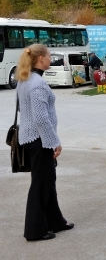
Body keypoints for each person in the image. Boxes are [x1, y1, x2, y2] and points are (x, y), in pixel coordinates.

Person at [15, 44, 74, 241]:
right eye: (49, 56)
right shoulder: (37, 83)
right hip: (39, 140)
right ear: (40, 58)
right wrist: (54, 142)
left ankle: (55, 221)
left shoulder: (25, 80)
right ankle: (34, 231)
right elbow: (41, 118)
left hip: (32, 138)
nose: (51, 59)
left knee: (48, 182)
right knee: (40, 185)